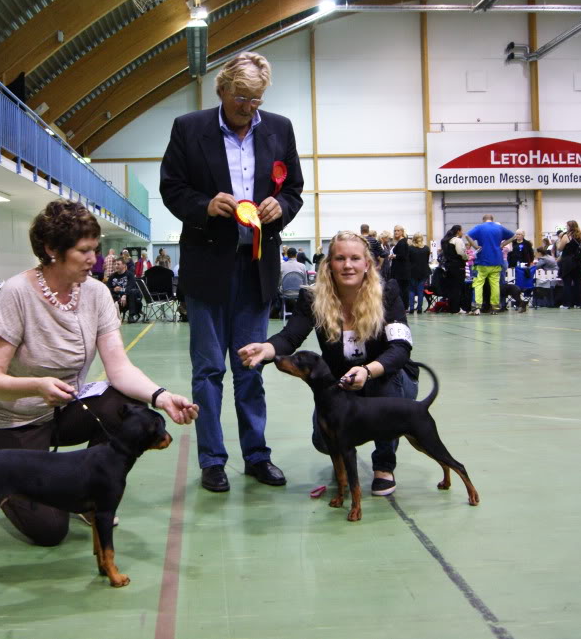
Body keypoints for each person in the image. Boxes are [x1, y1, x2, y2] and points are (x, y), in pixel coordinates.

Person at [0, 200, 198, 547]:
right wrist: (36, 385)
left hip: (63, 411)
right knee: (50, 532)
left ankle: (94, 494)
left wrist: (161, 396)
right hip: (13, 422)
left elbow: (119, 368)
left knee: (122, 403)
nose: (94, 259)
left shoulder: (96, 293)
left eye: (95, 249)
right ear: (51, 250)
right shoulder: (17, 294)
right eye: (84, 251)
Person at [159, 51, 304, 492]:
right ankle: (213, 461)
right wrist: (205, 207)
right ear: (221, 89)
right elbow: (172, 188)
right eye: (241, 98)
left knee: (252, 367)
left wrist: (283, 207)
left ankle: (257, 456)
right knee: (207, 370)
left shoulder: (279, 128)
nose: (248, 108)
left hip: (257, 268)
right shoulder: (189, 128)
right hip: (207, 266)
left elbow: (294, 189)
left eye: (256, 99)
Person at [237, 231, 418, 497]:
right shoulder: (313, 298)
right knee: (322, 440)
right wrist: (266, 348)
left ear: (367, 264)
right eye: (340, 258)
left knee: (385, 388)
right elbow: (291, 336)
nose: (348, 265)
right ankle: (344, 454)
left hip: (385, 377)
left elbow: (400, 349)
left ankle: (384, 465)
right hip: (342, 383)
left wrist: (368, 371)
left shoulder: (387, 293)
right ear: (329, 264)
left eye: (355, 258)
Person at [466, 214, 515, 316]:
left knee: (478, 284)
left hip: (483, 261)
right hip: (497, 260)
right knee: (495, 284)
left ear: (483, 220)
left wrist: (475, 246)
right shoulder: (499, 227)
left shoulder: (480, 227)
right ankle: (495, 308)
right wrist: (502, 245)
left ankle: (476, 308)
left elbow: (467, 235)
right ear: (492, 219)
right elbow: (513, 236)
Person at [557, 220, 581, 309]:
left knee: (567, 283)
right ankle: (578, 303)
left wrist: (559, 240)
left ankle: (566, 304)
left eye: (567, 226)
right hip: (579, 261)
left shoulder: (566, 236)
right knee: (578, 283)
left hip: (568, 262)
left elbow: (560, 248)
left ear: (569, 227)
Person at [439, 225, 467, 314]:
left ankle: (452, 307)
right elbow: (460, 253)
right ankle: (457, 308)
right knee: (457, 288)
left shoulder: (445, 241)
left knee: (451, 288)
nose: (462, 233)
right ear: (458, 231)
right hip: (458, 267)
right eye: (462, 231)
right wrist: (467, 257)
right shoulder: (457, 240)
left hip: (448, 267)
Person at [407, 233, 431, 315]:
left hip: (412, 271)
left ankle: (411, 308)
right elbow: (427, 260)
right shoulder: (426, 248)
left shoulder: (410, 248)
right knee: (420, 290)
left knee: (411, 290)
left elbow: (408, 260)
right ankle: (420, 308)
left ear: (413, 239)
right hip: (423, 271)